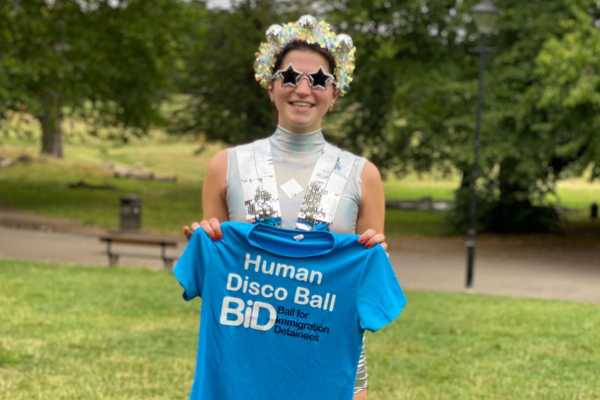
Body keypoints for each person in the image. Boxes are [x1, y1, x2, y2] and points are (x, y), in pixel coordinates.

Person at [183, 15, 388, 400]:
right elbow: (214, 277)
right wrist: (203, 241)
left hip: (328, 363)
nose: (303, 89)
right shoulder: (225, 167)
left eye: (319, 80)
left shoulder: (364, 176)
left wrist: (376, 251)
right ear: (271, 84)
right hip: (243, 362)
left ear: (336, 92)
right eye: (291, 76)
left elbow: (362, 286)